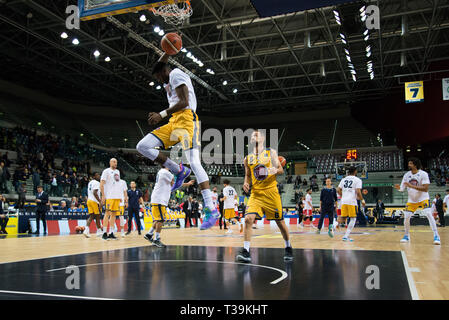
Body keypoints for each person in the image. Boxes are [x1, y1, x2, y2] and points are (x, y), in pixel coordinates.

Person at [136, 52, 219, 230]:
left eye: (159, 76)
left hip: (188, 119)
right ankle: (178, 170)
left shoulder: (175, 74)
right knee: (142, 146)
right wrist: (167, 51)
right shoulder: (167, 77)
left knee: (195, 163)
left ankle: (211, 209)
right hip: (174, 121)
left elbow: (184, 101)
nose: (159, 80)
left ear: (165, 71)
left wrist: (161, 114)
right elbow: (160, 63)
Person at [235, 130, 293, 263]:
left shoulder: (270, 152)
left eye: (256, 135)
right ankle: (246, 251)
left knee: (280, 222)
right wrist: (245, 183)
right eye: (251, 136)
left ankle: (288, 246)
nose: (253, 137)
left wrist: (275, 170)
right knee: (248, 219)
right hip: (256, 193)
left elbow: (281, 169)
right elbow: (248, 175)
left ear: (262, 139)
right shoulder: (247, 158)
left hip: (271, 192)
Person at [394, 158, 440, 245]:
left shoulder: (423, 174)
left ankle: (436, 236)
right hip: (411, 200)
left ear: (415, 165)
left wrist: (411, 186)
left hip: (423, 198)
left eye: (410, 163)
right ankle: (406, 235)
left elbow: (425, 189)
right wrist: (399, 188)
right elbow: (402, 189)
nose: (408, 165)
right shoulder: (406, 175)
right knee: (406, 217)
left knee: (429, 214)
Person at [144, 167, 194, 247]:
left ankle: (149, 234)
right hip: (159, 200)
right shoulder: (165, 172)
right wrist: (182, 173)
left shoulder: (163, 174)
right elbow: (174, 182)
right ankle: (157, 239)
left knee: (158, 219)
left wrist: (187, 184)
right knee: (160, 220)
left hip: (159, 200)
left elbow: (174, 184)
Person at [337, 166, 365, 242]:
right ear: (355, 171)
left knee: (344, 217)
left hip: (343, 201)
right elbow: (358, 191)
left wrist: (343, 196)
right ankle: (346, 236)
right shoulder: (357, 180)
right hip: (352, 201)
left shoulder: (343, 179)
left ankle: (333, 226)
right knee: (353, 219)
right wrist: (362, 200)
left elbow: (338, 189)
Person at [100, 158, 122, 241]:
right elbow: (101, 184)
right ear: (110, 162)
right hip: (109, 196)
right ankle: (104, 233)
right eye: (114, 161)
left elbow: (118, 184)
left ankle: (111, 233)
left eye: (116, 162)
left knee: (113, 214)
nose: (115, 163)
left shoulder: (118, 172)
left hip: (116, 196)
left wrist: (120, 196)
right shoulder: (106, 171)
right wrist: (103, 195)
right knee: (107, 213)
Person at [83, 172, 103, 238]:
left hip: (89, 200)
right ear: (94, 176)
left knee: (91, 216)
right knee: (97, 216)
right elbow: (95, 192)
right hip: (94, 201)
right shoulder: (97, 183)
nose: (99, 176)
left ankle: (86, 230)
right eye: (97, 175)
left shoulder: (90, 182)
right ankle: (99, 232)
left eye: (99, 175)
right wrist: (100, 201)